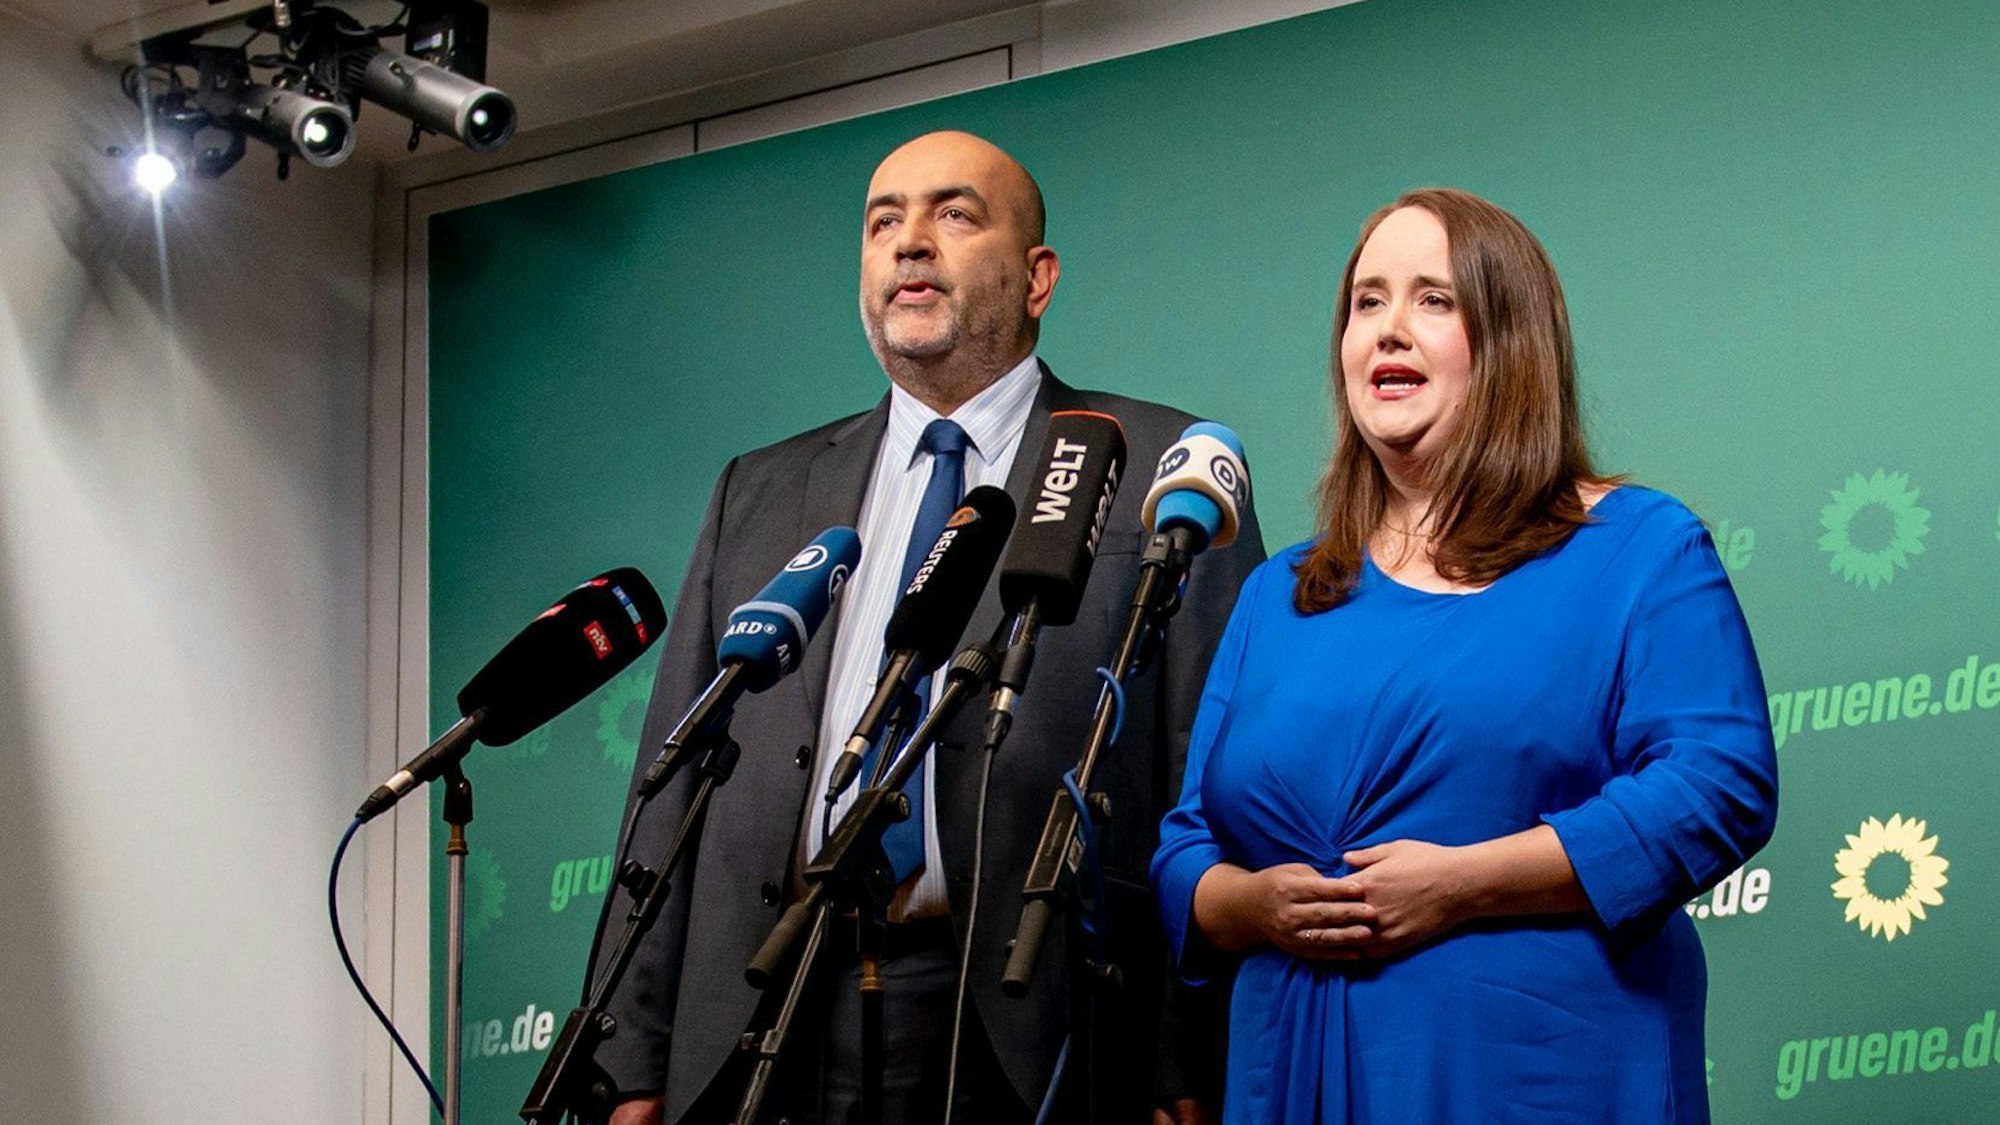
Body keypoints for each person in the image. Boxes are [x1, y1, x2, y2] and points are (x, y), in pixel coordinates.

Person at [594, 131, 1263, 1125]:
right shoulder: (761, 489)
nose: (909, 243)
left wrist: (1183, 1052)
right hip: (770, 1008)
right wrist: (633, 1059)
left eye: (953, 216)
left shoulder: (1157, 464)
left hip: (1037, 1023)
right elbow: (676, 774)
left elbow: (1208, 780)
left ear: (1036, 278)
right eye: (882, 223)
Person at [1151, 188, 1778, 1123]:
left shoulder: (1638, 545)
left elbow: (1717, 786)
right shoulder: (1278, 592)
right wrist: (1252, 906)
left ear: (1510, 340)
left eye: (1432, 301)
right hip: (1287, 1072)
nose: (1388, 331)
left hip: (1538, 1074)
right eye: (1367, 303)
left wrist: (1459, 886)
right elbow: (1185, 844)